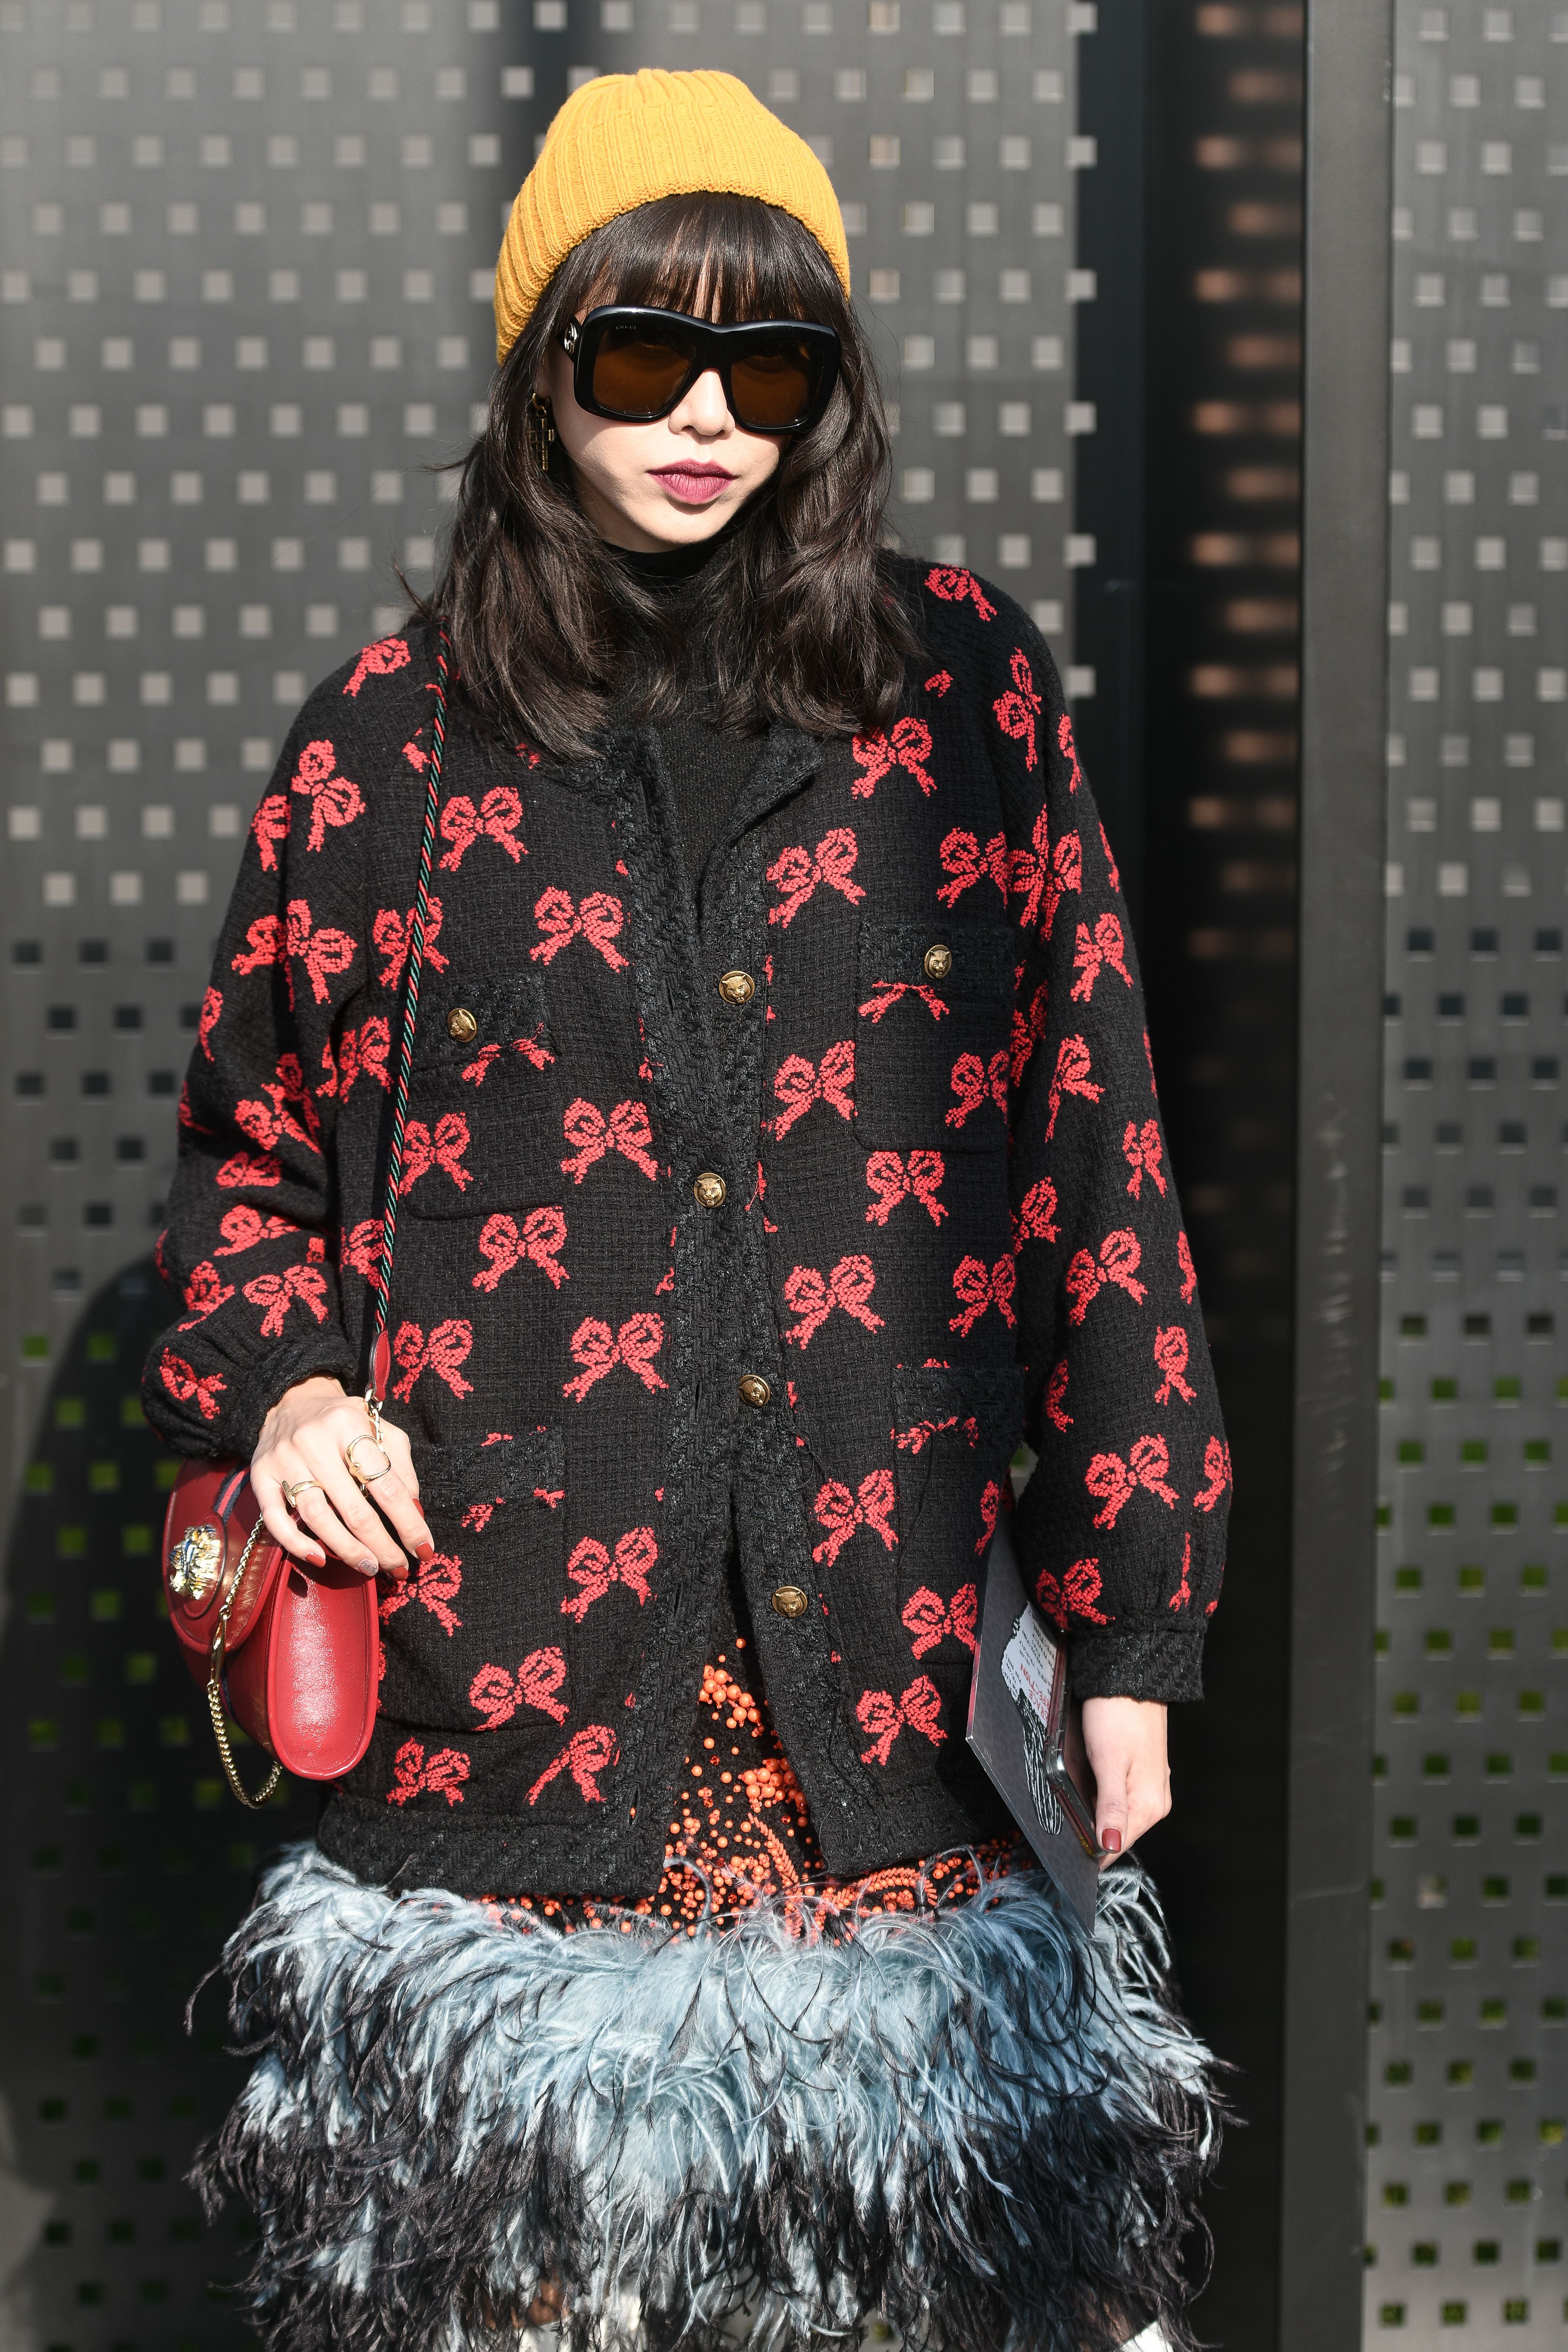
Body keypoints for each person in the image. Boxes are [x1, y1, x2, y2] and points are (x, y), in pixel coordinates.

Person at [143, 66, 1229, 2352]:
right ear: (546, 369)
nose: (711, 415)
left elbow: (1097, 1158)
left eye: (775, 363)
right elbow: (248, 1154)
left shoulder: (963, 696)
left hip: (908, 1707)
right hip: (504, 1709)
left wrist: (1134, 1628)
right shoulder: (390, 742)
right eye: (646, 352)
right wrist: (290, 1389)